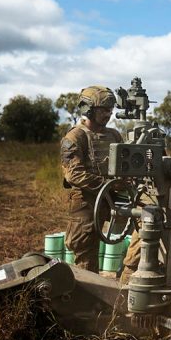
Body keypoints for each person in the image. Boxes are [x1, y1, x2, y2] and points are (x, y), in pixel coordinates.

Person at [60, 86, 124, 273]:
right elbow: (74, 174)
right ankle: (87, 296)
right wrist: (108, 185)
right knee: (85, 255)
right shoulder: (75, 136)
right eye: (103, 109)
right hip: (86, 202)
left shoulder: (114, 135)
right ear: (88, 109)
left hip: (112, 199)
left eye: (110, 109)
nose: (108, 114)